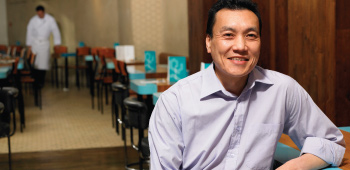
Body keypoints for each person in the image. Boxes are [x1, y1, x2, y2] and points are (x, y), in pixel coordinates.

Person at [148, 0, 346, 169]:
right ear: (208, 42)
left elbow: (331, 143)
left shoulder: (282, 89)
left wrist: (293, 166)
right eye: (228, 35)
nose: (241, 46)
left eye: (251, 35)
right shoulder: (173, 102)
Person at [26, 5, 61, 88]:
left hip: (45, 44)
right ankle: (35, 81)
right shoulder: (33, 20)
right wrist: (29, 45)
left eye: (41, 13)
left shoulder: (50, 19)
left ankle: (41, 82)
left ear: (43, 12)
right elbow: (29, 32)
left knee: (43, 64)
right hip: (35, 43)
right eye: (38, 14)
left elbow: (55, 31)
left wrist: (57, 43)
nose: (40, 15)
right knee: (34, 63)